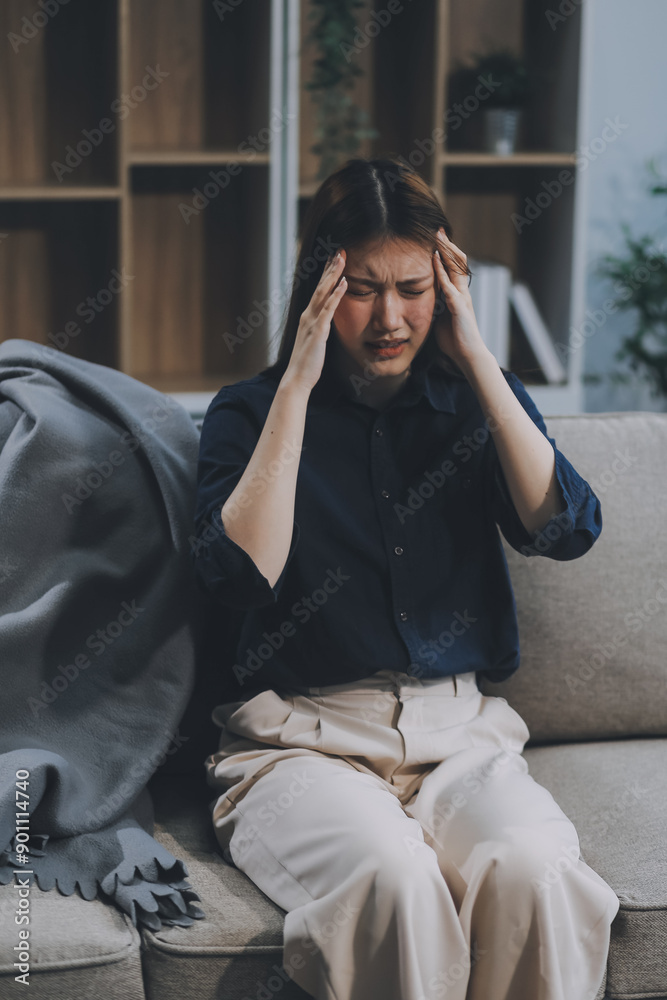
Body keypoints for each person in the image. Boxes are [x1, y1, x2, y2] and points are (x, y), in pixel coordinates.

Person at [192, 156, 619, 1000]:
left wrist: (477, 357)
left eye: (413, 288)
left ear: (444, 285)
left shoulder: (474, 402)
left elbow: (564, 529)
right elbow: (239, 576)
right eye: (360, 290)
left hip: (458, 739)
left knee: (531, 869)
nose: (389, 318)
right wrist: (298, 385)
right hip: (302, 743)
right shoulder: (249, 412)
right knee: (396, 881)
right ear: (319, 287)